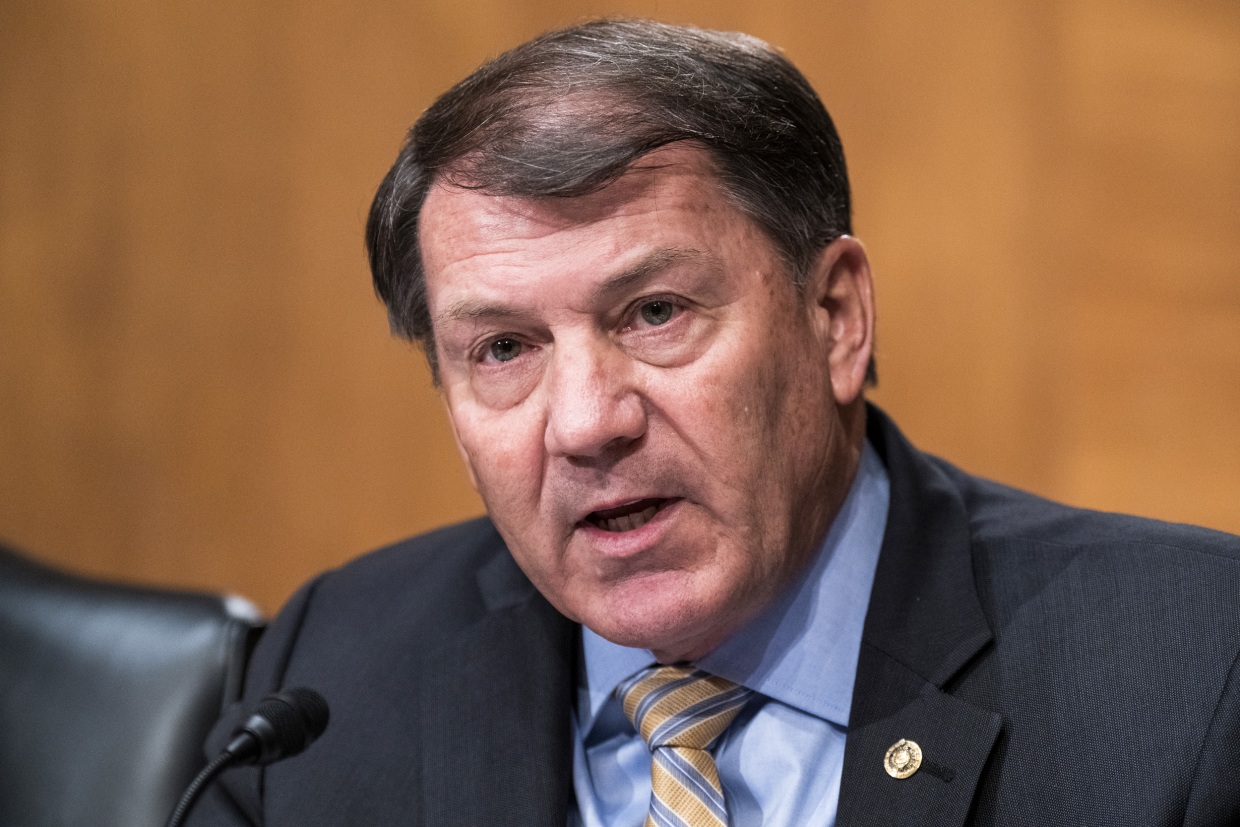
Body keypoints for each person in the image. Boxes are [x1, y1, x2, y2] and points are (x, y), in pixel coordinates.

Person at [187, 18, 1240, 827]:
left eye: (655, 313)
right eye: (504, 348)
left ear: (835, 317)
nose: (586, 423)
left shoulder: (1191, 673)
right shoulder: (330, 680)